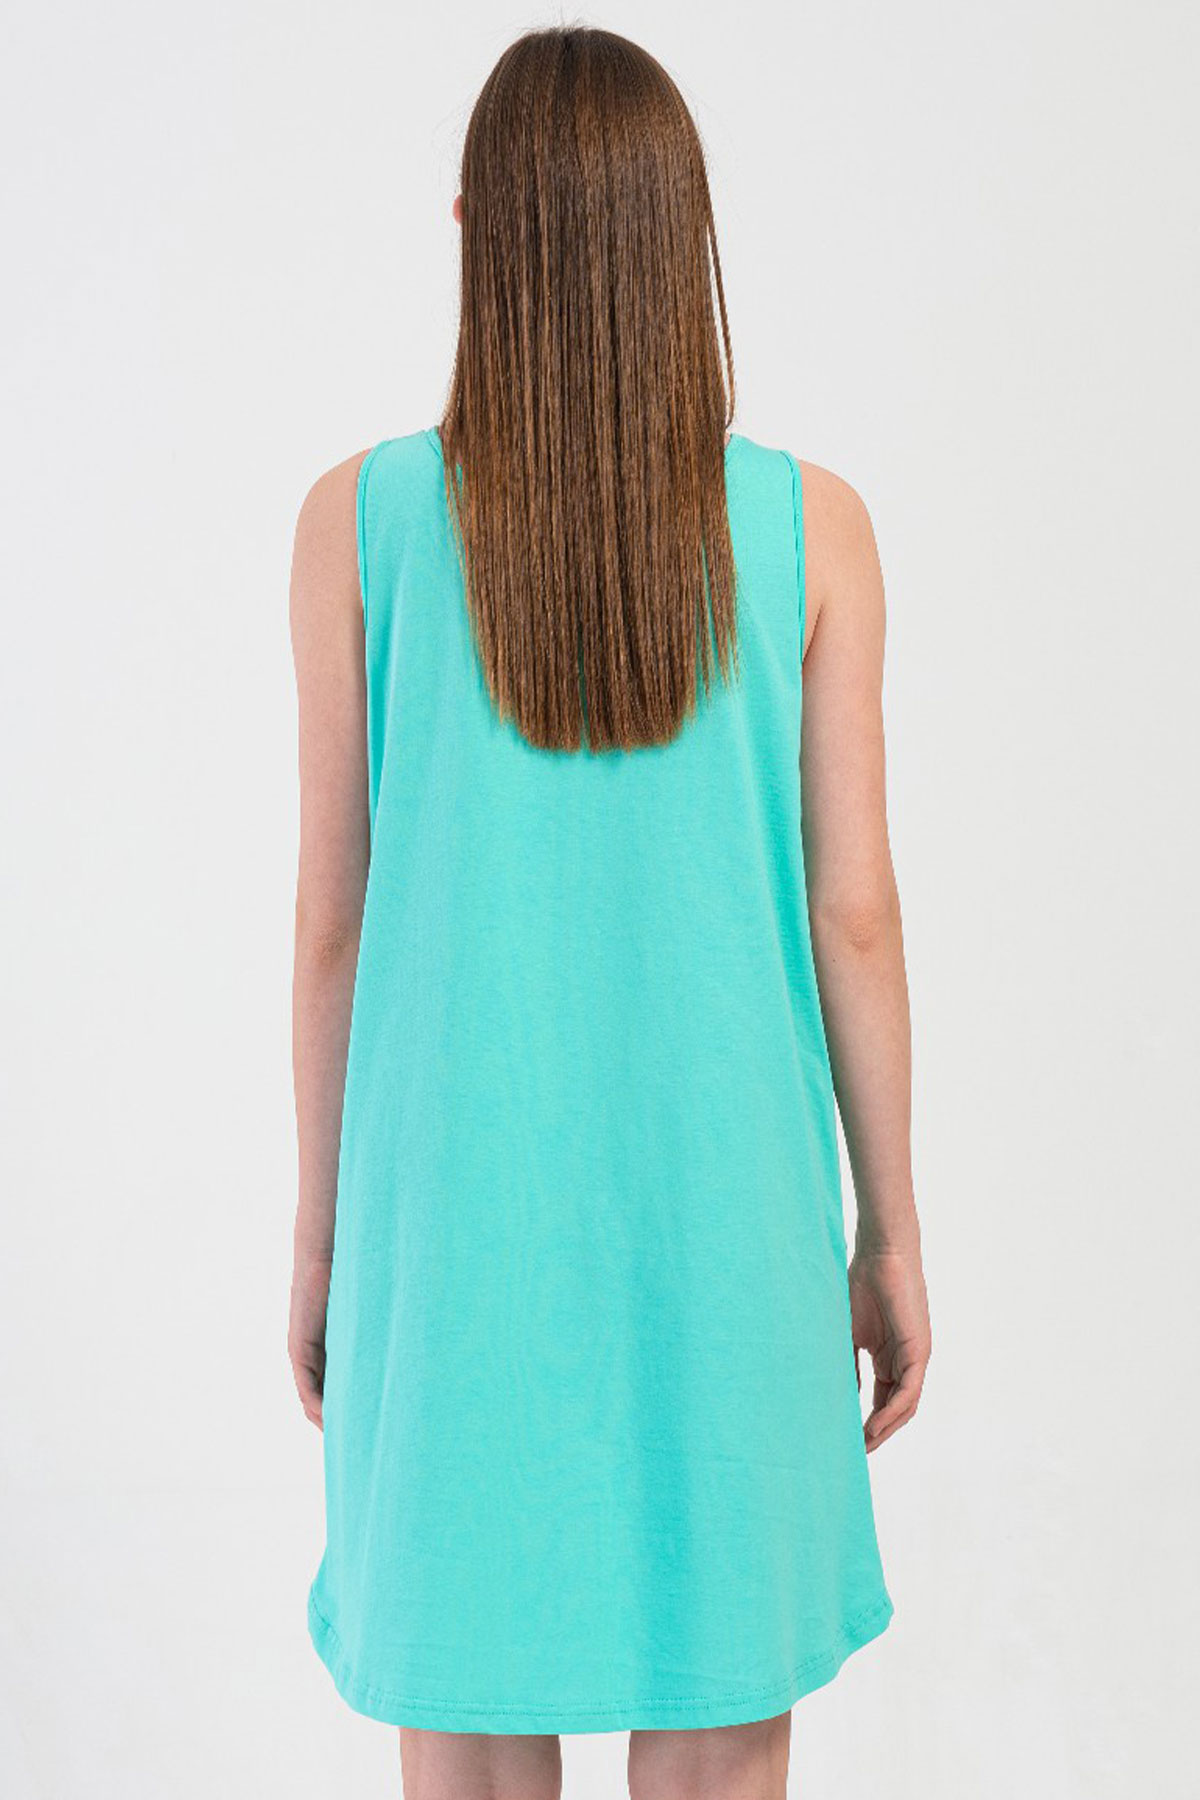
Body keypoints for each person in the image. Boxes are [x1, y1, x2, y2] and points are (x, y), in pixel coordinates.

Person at [288, 24, 930, 1800]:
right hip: (731, 1220)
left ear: (472, 231)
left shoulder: (359, 525)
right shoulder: (812, 530)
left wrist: (325, 1236)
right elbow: (854, 916)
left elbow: (333, 920)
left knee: (470, 1732)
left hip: (451, 1226)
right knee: (721, 1736)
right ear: (682, 237)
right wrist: (889, 1231)